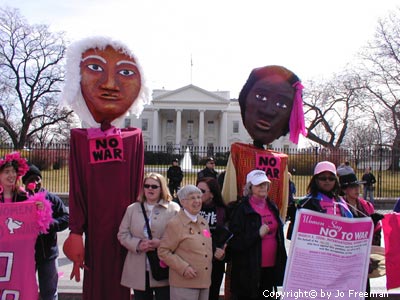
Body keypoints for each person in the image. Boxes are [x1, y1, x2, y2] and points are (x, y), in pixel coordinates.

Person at [61, 36, 151, 300]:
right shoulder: (81, 138)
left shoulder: (133, 138)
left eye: (125, 72)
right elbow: (77, 186)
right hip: (96, 234)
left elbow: (138, 188)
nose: (110, 84)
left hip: (123, 233)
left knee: (121, 285)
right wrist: (76, 230)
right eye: (96, 68)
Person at [222, 65, 307, 215]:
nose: (268, 111)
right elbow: (229, 197)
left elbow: (282, 200)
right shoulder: (238, 152)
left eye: (282, 104)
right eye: (260, 97)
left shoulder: (281, 161)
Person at [118, 173, 180, 300]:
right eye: (147, 186)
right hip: (139, 268)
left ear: (161, 188)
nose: (150, 189)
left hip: (163, 267)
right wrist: (138, 244)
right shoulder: (132, 209)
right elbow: (122, 234)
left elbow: (180, 236)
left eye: (154, 186)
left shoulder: (173, 209)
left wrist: (161, 243)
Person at [0, 152, 52, 299]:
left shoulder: (24, 196)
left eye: (14, 172)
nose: (11, 175)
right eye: (6, 172)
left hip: (20, 254)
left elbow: (40, 225)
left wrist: (41, 209)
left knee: (19, 286)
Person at [228, 170, 287, 299]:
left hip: (271, 268)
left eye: (265, 184)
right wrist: (257, 234)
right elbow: (235, 242)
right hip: (249, 270)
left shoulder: (272, 206)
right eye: (258, 184)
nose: (262, 187)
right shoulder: (241, 209)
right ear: (250, 187)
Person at [158, 185, 215, 300]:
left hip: (204, 282)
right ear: (183, 202)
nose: (197, 201)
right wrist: (183, 268)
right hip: (184, 284)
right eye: (192, 198)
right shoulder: (176, 223)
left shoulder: (203, 222)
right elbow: (163, 251)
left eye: (199, 197)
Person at [22, 164, 70, 300]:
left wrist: (49, 223)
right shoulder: (20, 199)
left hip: (48, 254)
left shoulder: (52, 199)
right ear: (25, 183)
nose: (35, 183)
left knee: (49, 292)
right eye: (31, 180)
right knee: (26, 291)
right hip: (26, 256)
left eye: (38, 179)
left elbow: (66, 218)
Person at [287, 161, 353, 240]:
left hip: (338, 249)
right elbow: (293, 236)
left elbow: (351, 227)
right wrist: (294, 219)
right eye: (323, 178)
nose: (327, 181)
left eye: (331, 178)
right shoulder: (305, 203)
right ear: (316, 180)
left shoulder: (342, 203)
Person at [197, 177, 229, 300]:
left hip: (215, 261)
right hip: (196, 259)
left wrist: (223, 249)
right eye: (196, 190)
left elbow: (226, 233)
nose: (198, 194)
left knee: (212, 294)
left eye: (202, 191)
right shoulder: (191, 209)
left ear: (212, 194)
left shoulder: (222, 210)